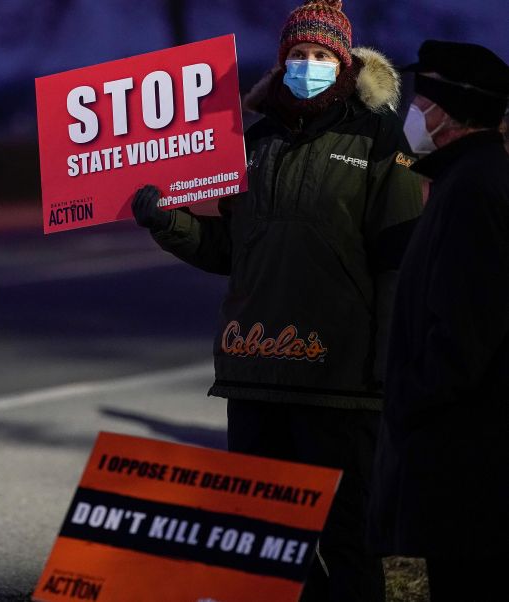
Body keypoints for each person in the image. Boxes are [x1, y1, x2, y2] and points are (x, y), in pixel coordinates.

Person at [132, 1, 423, 599]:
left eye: (320, 56)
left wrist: (388, 366)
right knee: (264, 542)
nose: (308, 65)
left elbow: (398, 263)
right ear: (281, 60)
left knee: (347, 543)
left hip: (339, 380)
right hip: (256, 374)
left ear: (344, 62)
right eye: (297, 55)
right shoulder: (252, 136)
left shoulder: (375, 137)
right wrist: (167, 222)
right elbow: (228, 251)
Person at [367, 40, 509, 602]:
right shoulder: (466, 179)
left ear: (448, 112)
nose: (413, 112)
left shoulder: (475, 190)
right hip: (466, 457)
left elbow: (464, 333)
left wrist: (405, 396)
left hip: (470, 463)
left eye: (422, 98)